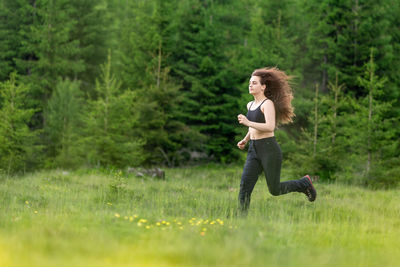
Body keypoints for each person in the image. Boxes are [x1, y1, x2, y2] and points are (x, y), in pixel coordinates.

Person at [237, 67, 316, 215]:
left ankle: (304, 183)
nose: (250, 85)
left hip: (269, 150)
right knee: (245, 186)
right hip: (254, 149)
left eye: (254, 83)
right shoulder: (250, 105)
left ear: (263, 87)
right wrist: (245, 139)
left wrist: (247, 122)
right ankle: (240, 221)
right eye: (250, 83)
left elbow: (269, 126)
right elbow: (253, 127)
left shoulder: (267, 104)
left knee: (274, 189)